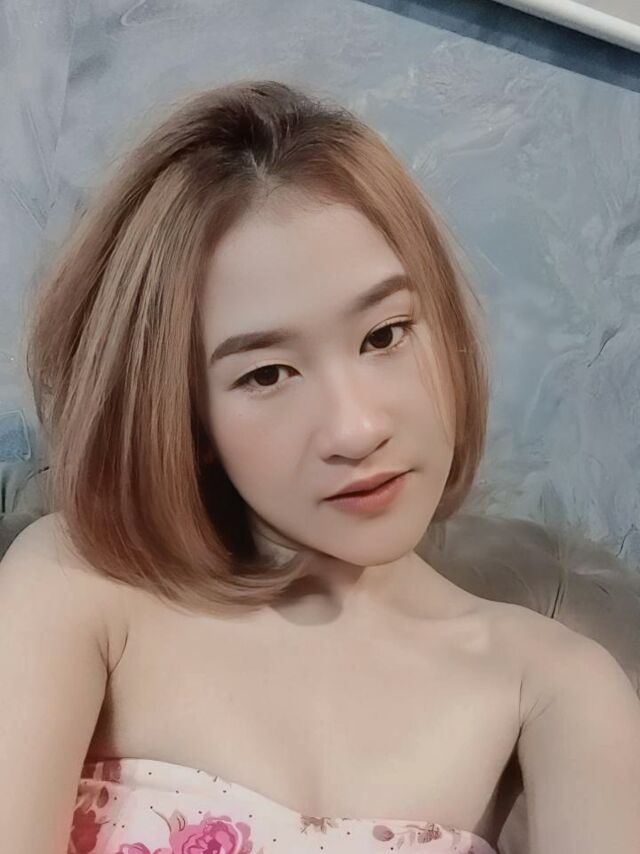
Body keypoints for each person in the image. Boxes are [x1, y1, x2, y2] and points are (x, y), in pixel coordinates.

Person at [1, 80, 639, 854]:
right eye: (267, 374)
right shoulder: (78, 581)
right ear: (186, 414)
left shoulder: (555, 686)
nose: (356, 429)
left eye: (385, 335)